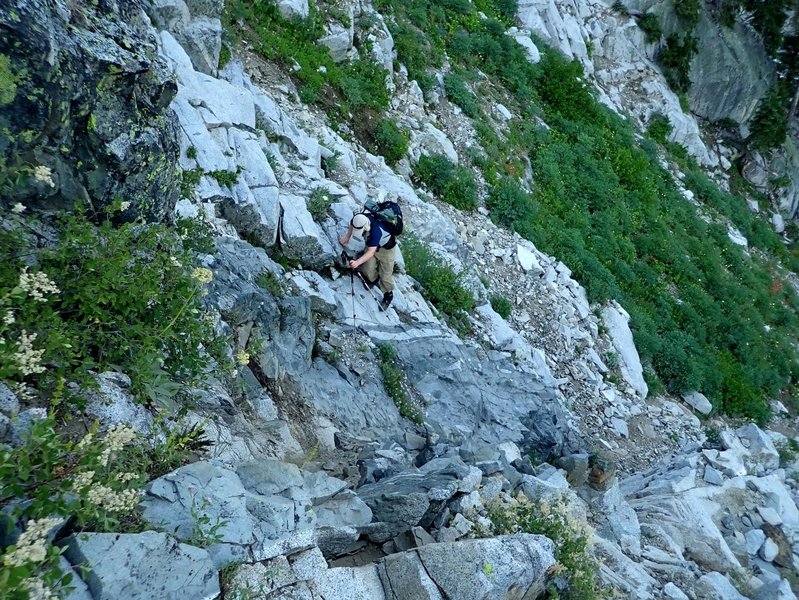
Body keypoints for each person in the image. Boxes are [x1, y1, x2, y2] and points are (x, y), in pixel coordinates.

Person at [339, 211, 396, 310]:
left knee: (386, 276)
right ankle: (373, 280)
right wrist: (347, 237)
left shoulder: (376, 231)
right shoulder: (359, 218)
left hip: (386, 250)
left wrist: (356, 263)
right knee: (367, 269)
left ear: (366, 227)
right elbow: (352, 223)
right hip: (372, 245)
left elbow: (371, 252)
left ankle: (388, 294)